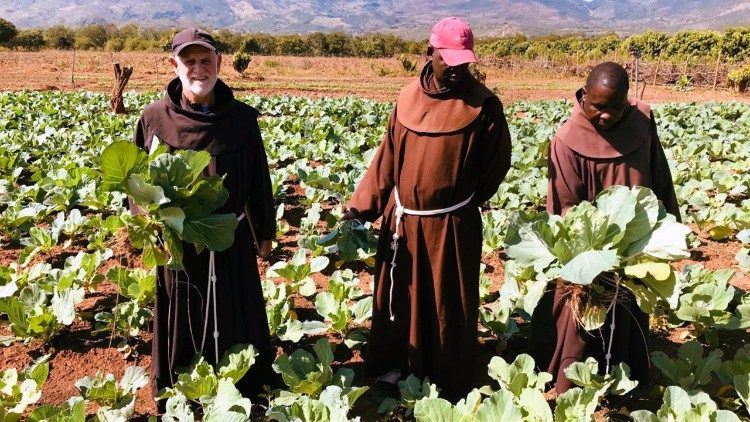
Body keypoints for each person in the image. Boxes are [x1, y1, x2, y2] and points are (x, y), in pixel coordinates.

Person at [343, 17, 512, 401]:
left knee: (446, 301)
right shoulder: (405, 99)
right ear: (429, 52)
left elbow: (494, 165)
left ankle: (445, 375)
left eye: (462, 62)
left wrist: (457, 203)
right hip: (403, 222)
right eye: (446, 59)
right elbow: (386, 160)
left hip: (451, 225)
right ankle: (395, 366)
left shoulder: (483, 106)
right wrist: (362, 208)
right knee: (396, 297)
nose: (454, 69)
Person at [131, 28, 277, 406]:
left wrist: (264, 231)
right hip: (176, 243)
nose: (198, 69)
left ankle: (242, 388)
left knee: (235, 313)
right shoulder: (154, 119)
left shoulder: (243, 120)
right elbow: (136, 183)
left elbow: (259, 180)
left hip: (229, 237)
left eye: (205, 60)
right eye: (189, 61)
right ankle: (183, 389)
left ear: (219, 64)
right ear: (174, 65)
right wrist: (148, 227)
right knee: (183, 314)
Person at [531, 61, 680, 394]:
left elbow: (659, 174)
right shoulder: (567, 140)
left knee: (629, 309)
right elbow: (565, 204)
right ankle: (572, 383)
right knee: (582, 315)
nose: (607, 115)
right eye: (598, 106)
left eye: (616, 106)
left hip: (635, 243)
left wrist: (666, 224)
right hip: (589, 246)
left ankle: (625, 377)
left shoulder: (642, 121)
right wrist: (597, 246)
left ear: (627, 98)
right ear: (584, 96)